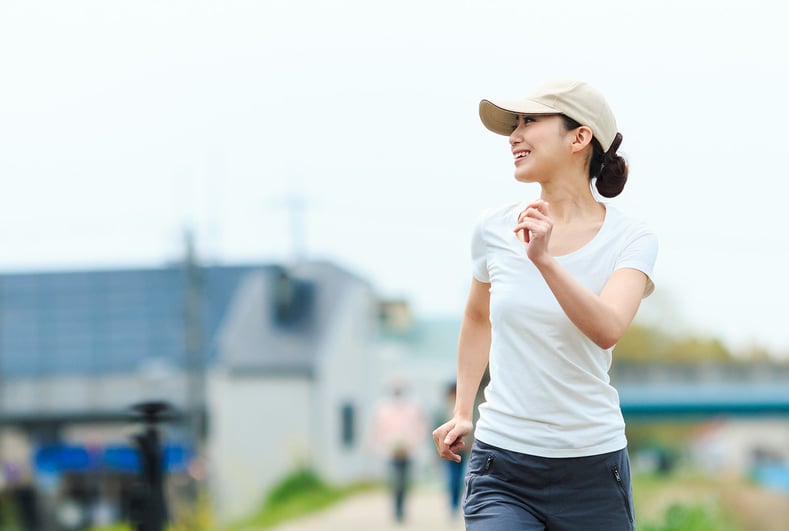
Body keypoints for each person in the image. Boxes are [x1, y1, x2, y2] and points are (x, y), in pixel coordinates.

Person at [432, 80, 658, 530]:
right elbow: (478, 317)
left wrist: (545, 260)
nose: (514, 136)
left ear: (579, 137)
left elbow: (608, 327)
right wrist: (462, 409)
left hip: (593, 470)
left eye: (530, 122)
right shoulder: (494, 228)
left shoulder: (632, 239)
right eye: (514, 125)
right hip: (503, 468)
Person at [369, 380, 428, 524]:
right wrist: (380, 446)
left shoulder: (413, 407)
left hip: (408, 451)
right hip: (390, 451)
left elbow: (420, 427)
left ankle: (402, 508)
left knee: (404, 482)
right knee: (395, 481)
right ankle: (396, 509)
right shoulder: (383, 408)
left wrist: (413, 444)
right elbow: (377, 429)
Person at [442, 382, 470, 517]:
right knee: (452, 479)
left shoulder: (467, 411)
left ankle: (460, 503)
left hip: (464, 450)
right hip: (448, 450)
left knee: (462, 479)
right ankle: (452, 505)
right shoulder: (443, 410)